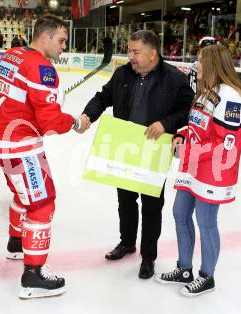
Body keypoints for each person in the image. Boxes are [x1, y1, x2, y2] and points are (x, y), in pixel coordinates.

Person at [0, 15, 89, 299]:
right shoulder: (42, 68)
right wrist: (75, 122)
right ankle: (33, 276)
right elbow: (50, 122)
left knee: (22, 195)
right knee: (42, 203)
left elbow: (22, 98)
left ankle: (15, 244)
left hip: (0, 140)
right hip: (21, 145)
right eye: (61, 40)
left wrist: (50, 101)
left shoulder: (13, 54)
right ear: (44, 38)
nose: (64, 46)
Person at [82, 30, 194, 279]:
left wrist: (166, 123)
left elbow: (188, 109)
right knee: (126, 201)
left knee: (152, 206)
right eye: (129, 50)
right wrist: (88, 115)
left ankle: (148, 256)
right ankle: (127, 242)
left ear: (153, 53)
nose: (130, 56)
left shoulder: (174, 79)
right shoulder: (123, 74)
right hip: (126, 148)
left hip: (155, 152)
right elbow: (103, 97)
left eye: (135, 52)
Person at [155, 44, 241, 297]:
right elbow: (194, 124)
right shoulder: (205, 91)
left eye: (199, 60)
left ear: (213, 65)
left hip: (213, 171)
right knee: (179, 213)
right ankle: (184, 268)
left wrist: (190, 151)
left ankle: (207, 276)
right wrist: (179, 135)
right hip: (192, 165)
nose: (195, 64)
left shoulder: (230, 97)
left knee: (206, 222)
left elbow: (225, 143)